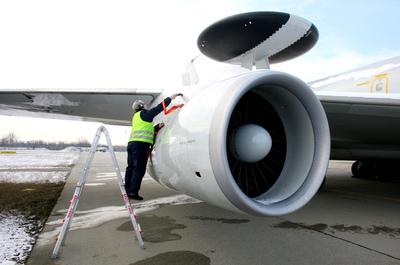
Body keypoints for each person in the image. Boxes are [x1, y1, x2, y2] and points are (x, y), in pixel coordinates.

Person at [125, 93, 183, 200]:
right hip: (140, 145)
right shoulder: (145, 114)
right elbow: (159, 108)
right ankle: (133, 192)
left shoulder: (136, 117)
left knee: (131, 167)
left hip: (132, 144)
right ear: (142, 106)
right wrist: (171, 98)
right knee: (139, 169)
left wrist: (156, 127)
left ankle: (127, 189)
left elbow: (145, 128)